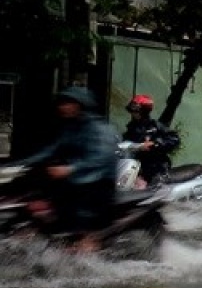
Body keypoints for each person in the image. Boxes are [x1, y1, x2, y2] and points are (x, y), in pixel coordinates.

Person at [17, 87, 118, 249]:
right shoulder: (70, 128)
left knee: (79, 218)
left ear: (81, 104)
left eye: (69, 103)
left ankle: (86, 248)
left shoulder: (99, 129)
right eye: (62, 103)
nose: (63, 107)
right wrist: (19, 164)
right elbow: (50, 150)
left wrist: (71, 168)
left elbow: (101, 156)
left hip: (96, 184)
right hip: (73, 182)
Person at [122, 94, 181, 185]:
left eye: (135, 110)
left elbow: (174, 139)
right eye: (132, 109)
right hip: (135, 168)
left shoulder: (155, 126)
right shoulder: (131, 127)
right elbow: (126, 145)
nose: (133, 113)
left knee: (154, 188)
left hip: (155, 168)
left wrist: (155, 143)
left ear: (143, 111)